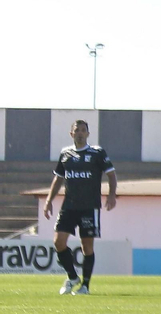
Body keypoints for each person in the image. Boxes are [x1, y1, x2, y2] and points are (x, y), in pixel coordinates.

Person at [41, 119, 116, 296]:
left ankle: (85, 286)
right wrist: (48, 200)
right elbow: (58, 178)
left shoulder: (97, 153)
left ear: (88, 134)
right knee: (58, 242)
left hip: (89, 207)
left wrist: (112, 195)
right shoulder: (65, 154)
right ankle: (73, 277)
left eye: (83, 130)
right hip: (69, 206)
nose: (80, 133)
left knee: (87, 247)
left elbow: (111, 175)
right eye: (77, 130)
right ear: (71, 134)